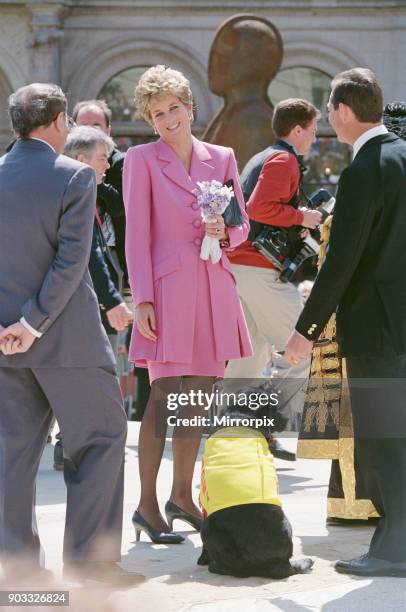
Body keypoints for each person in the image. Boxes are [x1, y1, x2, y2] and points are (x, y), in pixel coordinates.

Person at [0, 84, 139, 586]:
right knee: (102, 441)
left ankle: (18, 579)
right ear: (59, 121)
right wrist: (33, 322)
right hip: (68, 342)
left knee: (11, 459)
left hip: (6, 347)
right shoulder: (75, 175)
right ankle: (91, 568)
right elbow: (71, 261)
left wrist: (10, 328)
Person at [123, 65, 252, 543]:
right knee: (162, 398)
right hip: (167, 292)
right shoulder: (139, 158)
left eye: (174, 108)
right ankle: (146, 505)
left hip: (213, 286)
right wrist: (143, 300)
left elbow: (241, 224)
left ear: (189, 108)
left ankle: (181, 496)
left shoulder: (221, 156)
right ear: (150, 120)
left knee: (196, 398)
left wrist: (227, 230)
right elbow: (136, 237)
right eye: (158, 114)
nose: (168, 119)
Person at [286, 68, 406, 577]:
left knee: (384, 441)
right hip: (398, 323)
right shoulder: (401, 156)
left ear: (341, 110)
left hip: (375, 328)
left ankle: (393, 550)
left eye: (330, 109)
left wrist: (303, 331)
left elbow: (342, 261)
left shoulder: (364, 170)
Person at [224, 99, 322, 441]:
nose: (315, 137)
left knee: (249, 357)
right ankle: (270, 416)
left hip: (240, 265)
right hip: (258, 268)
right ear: (297, 130)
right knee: (309, 343)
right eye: (312, 130)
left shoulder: (263, 156)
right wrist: (302, 218)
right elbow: (259, 207)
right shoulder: (284, 159)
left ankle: (234, 428)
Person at [52, 126, 132, 472]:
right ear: (82, 159)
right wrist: (113, 299)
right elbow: (91, 251)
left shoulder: (79, 188)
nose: (107, 166)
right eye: (103, 159)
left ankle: (70, 443)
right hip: (74, 303)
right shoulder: (74, 191)